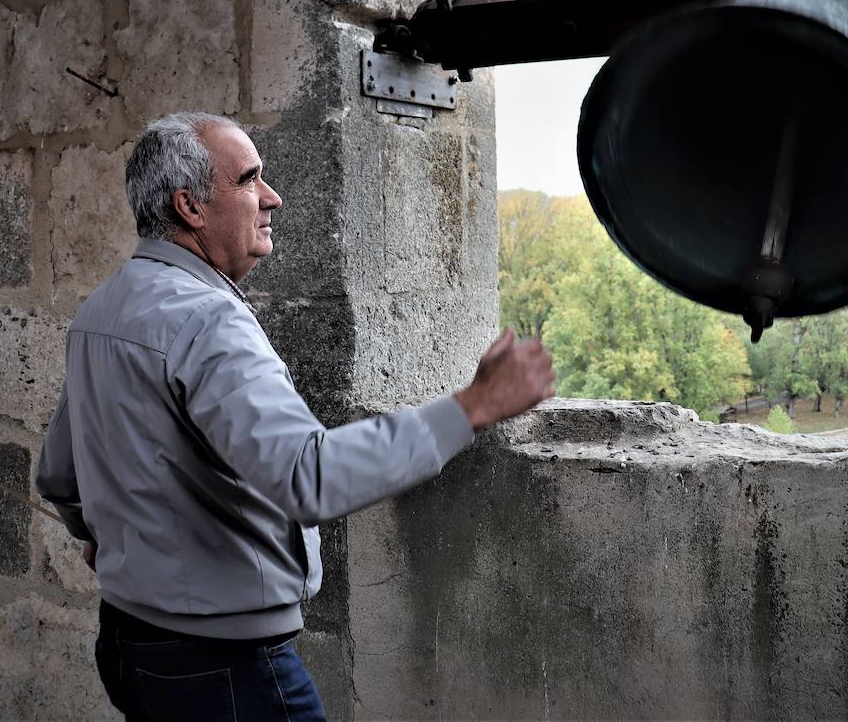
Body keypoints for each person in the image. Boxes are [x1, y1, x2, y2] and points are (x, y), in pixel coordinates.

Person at [36, 111, 554, 721]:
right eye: (249, 180)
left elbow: (60, 476)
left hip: (128, 641)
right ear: (190, 208)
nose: (272, 198)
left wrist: (107, 540)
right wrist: (475, 406)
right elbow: (309, 478)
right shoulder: (206, 320)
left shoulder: (103, 307)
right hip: (222, 667)